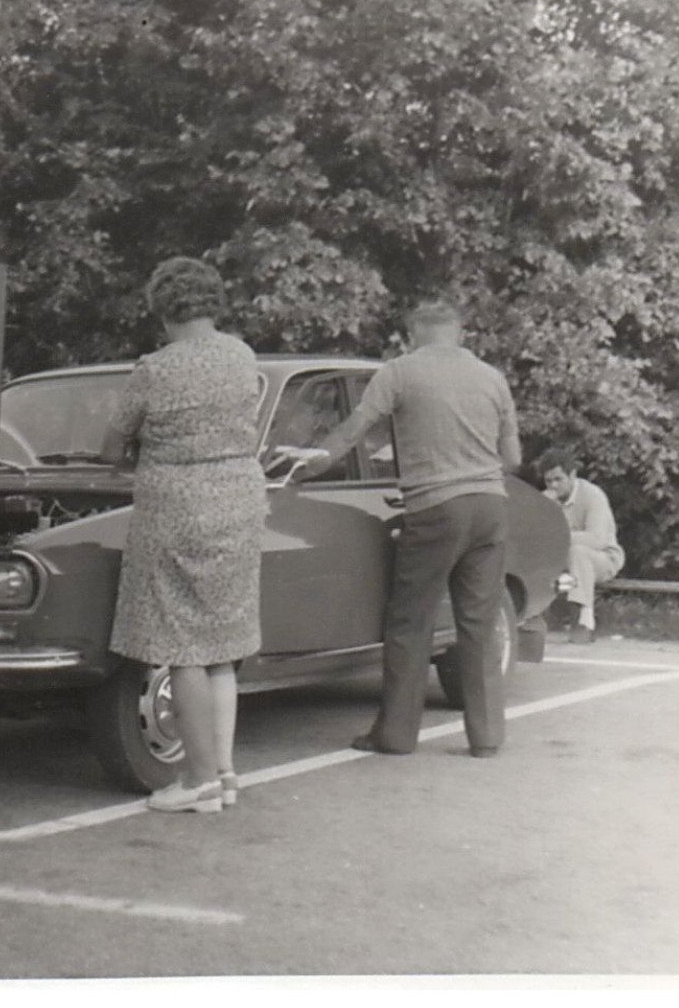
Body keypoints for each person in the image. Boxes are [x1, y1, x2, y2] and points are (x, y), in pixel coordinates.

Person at [278, 298, 520, 758]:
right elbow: (513, 459)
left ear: (413, 334)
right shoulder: (493, 378)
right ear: (460, 333)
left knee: (412, 620)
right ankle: (487, 738)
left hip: (434, 506)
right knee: (479, 623)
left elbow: (353, 429)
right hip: (490, 506)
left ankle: (395, 734)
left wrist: (310, 465)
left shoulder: (400, 372)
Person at [100, 257, 266, 813]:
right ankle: (224, 774)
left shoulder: (155, 369)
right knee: (223, 645)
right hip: (240, 500)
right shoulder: (242, 356)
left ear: (163, 308)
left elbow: (112, 445)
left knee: (183, 647)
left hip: (177, 506)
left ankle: (195, 781)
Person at [535, 447, 624, 643]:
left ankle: (583, 621)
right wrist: (547, 511)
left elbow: (597, 539)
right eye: (548, 481)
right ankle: (531, 620)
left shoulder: (593, 495)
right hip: (563, 565)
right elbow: (537, 539)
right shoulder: (546, 500)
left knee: (578, 552)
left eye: (558, 479)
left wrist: (559, 537)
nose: (553, 486)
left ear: (572, 475)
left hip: (603, 559)